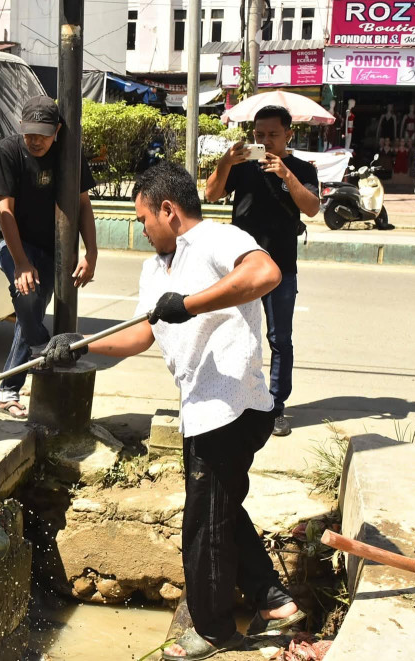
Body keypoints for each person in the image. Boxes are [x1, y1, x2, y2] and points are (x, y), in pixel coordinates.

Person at [42, 162, 304, 660]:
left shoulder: (217, 239)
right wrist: (79, 347)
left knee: (202, 526)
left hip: (232, 406)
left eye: (144, 219)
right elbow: (142, 333)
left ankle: (213, 632)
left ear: (169, 210)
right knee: (219, 508)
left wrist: (191, 303)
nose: (141, 230)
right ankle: (273, 599)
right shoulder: (154, 268)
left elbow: (265, 272)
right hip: (200, 407)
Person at [204, 105, 321, 437]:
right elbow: (211, 194)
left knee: (279, 339)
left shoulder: (300, 169)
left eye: (272, 135)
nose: (265, 141)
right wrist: (226, 162)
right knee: (237, 335)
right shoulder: (242, 167)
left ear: (288, 134)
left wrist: (286, 175)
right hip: (240, 268)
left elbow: (312, 208)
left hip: (282, 268)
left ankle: (276, 407)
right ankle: (241, 401)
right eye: (259, 135)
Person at [0, 95, 98, 419]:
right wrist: (21, 262)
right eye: (29, 133)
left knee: (30, 308)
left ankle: (8, 390)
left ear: (57, 130)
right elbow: (4, 209)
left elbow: (84, 205)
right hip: (12, 241)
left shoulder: (68, 153)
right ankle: (41, 351)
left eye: (43, 134)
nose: (35, 141)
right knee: (28, 294)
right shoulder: (8, 151)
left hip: (51, 247)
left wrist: (91, 253)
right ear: (21, 128)